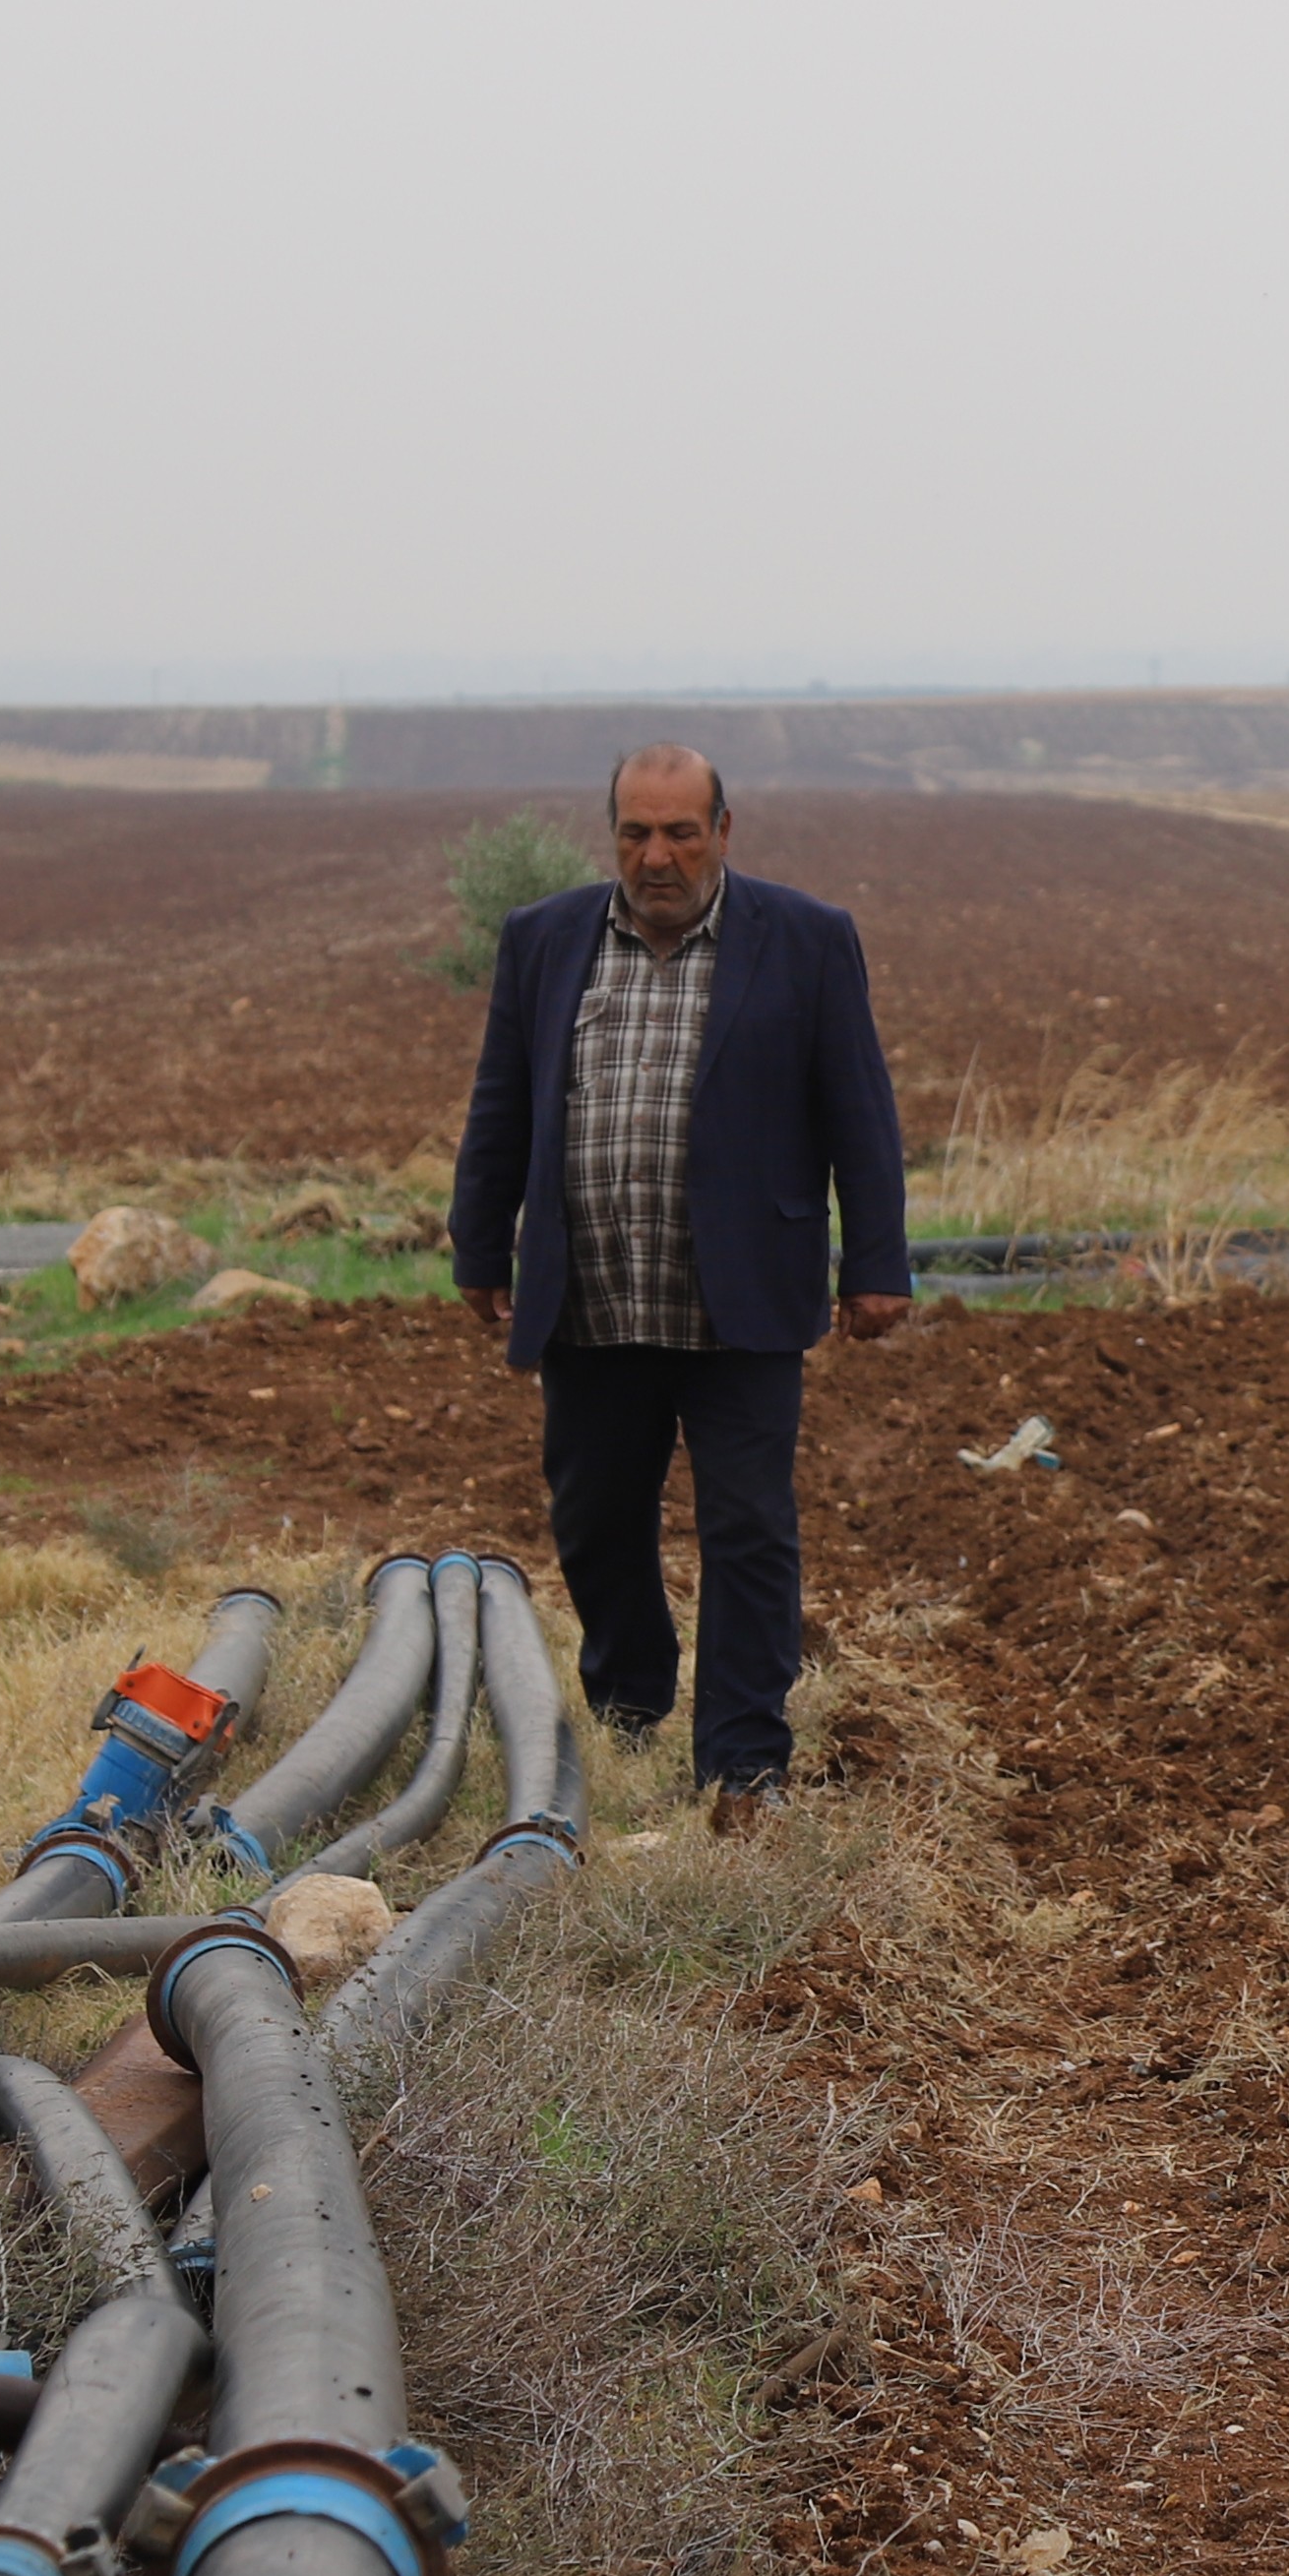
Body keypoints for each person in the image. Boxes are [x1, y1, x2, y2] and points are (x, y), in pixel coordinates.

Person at [453, 746, 912, 1809]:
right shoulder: (544, 938)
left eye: (679, 832)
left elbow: (862, 1110)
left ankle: (742, 1758)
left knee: (749, 1529)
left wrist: (877, 1260)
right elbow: (502, 1104)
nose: (655, 856)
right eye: (634, 832)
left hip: (742, 1304)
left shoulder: (804, 938)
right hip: (595, 1296)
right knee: (597, 1518)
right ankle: (627, 1708)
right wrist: (480, 1241)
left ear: (723, 829)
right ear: (611, 832)